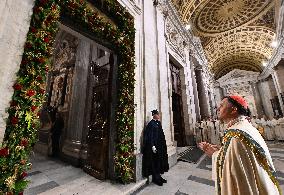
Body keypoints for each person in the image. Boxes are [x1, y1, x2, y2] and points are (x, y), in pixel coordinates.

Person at [198, 95, 281, 195]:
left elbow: (234, 170)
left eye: (222, 105)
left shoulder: (236, 135)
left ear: (233, 110)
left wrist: (214, 154)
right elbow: (240, 155)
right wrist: (223, 150)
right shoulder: (244, 127)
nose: (218, 108)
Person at [142, 109, 169, 186]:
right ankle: (155, 178)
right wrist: (152, 146)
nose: (159, 115)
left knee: (158, 162)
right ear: (154, 115)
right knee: (154, 162)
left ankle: (159, 177)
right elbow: (149, 136)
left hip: (159, 147)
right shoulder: (151, 124)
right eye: (157, 114)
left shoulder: (158, 123)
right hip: (154, 147)